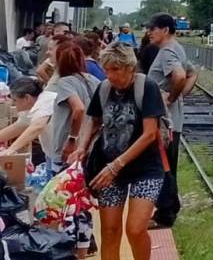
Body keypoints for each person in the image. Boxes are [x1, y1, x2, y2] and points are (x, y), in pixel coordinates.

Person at [71, 42, 166, 260]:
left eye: (116, 70)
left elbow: (150, 133)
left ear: (130, 68)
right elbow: (93, 120)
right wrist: (81, 147)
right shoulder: (104, 88)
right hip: (109, 167)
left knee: (135, 228)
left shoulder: (147, 87)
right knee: (110, 231)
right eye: (107, 70)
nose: (110, 75)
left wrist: (117, 165)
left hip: (145, 168)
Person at [47, 41, 99, 257]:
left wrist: (72, 138)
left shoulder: (65, 82)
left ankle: (65, 249)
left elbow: (78, 109)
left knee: (62, 202)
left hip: (67, 152)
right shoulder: (94, 81)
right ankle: (82, 250)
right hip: (87, 151)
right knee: (81, 203)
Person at [146, 13, 190, 229]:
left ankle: (165, 214)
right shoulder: (176, 48)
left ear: (165, 29)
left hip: (165, 123)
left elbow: (181, 76)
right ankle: (171, 205)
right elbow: (192, 74)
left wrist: (170, 98)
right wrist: (180, 96)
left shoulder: (167, 51)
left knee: (162, 166)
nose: (149, 32)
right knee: (167, 165)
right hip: (173, 120)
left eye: (152, 28)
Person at [0, 77, 55, 163]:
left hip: (66, 152)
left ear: (27, 98)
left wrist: (11, 150)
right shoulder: (30, 107)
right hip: (51, 153)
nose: (13, 103)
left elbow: (37, 126)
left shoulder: (46, 101)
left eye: (15, 100)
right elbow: (18, 126)